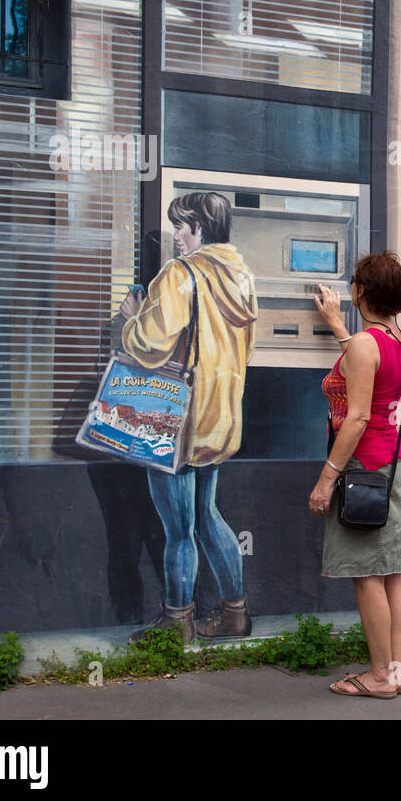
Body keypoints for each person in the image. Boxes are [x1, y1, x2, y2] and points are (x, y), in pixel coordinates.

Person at [118, 192, 258, 643]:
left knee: (179, 529)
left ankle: (177, 623)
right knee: (207, 514)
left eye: (182, 225)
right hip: (219, 418)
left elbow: (149, 344)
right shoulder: (241, 276)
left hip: (176, 420)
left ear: (202, 227)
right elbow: (245, 349)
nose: (176, 235)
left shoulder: (180, 275)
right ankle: (234, 614)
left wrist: (132, 317)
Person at [310, 251, 401, 700]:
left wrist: (326, 478)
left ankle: (376, 678)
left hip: (363, 469)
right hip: (395, 466)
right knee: (390, 573)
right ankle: (392, 670)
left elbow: (355, 419)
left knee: (367, 574)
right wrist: (337, 326)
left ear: (359, 292)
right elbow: (363, 361)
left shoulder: (363, 345)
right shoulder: (397, 340)